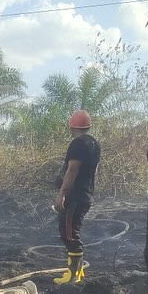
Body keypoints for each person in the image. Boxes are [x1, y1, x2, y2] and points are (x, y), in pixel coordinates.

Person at [53, 110, 100, 284]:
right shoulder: (94, 144)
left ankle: (74, 275)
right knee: (70, 231)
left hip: (75, 197)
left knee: (70, 234)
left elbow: (72, 170)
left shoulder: (77, 144)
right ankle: (76, 273)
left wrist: (62, 194)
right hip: (85, 194)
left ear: (72, 126)